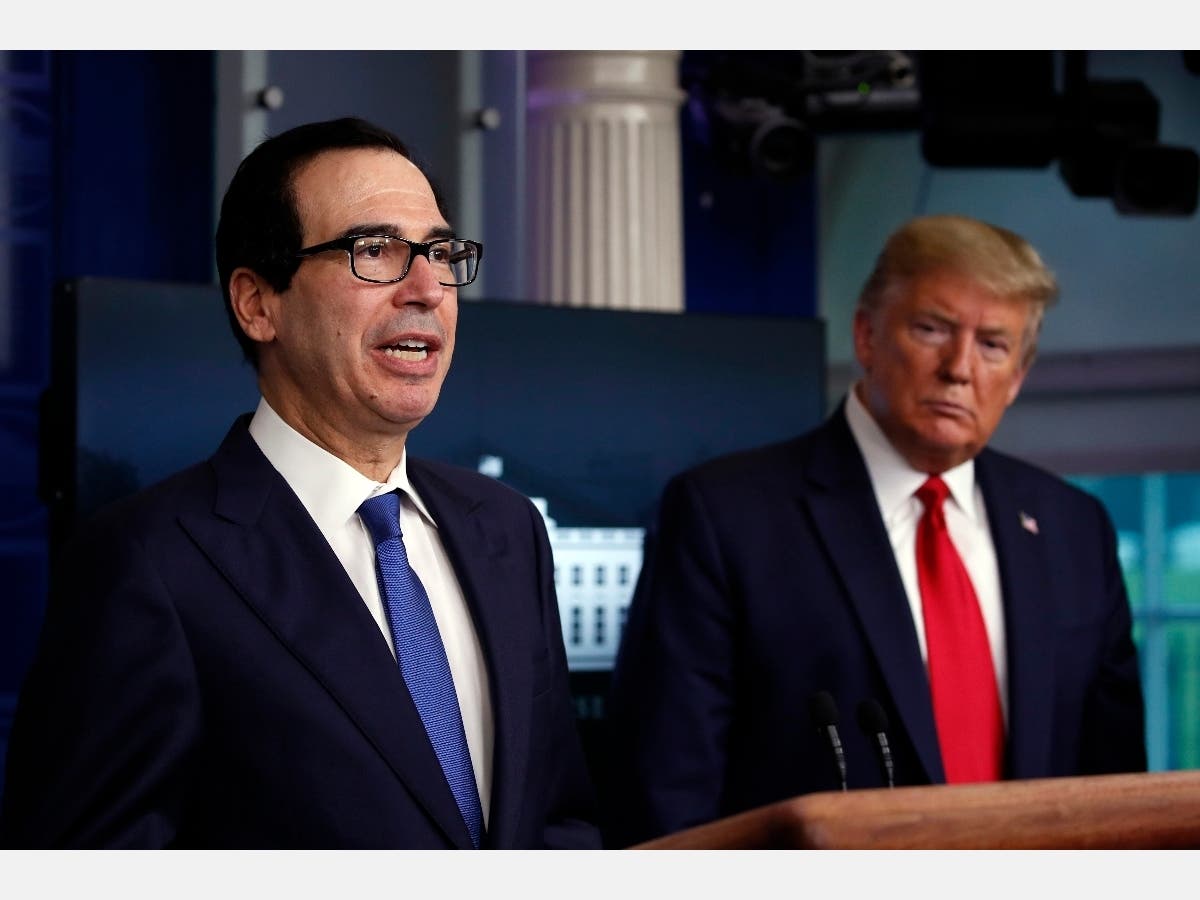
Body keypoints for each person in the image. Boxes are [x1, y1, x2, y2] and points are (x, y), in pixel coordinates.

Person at [2, 117, 600, 849]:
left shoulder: (506, 527)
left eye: (440, 252)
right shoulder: (145, 564)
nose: (426, 288)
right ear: (258, 303)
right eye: (374, 250)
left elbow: (558, 822)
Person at [603, 214, 1147, 846]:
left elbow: (1117, 794)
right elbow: (665, 795)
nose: (959, 368)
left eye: (993, 344)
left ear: (1018, 377)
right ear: (866, 334)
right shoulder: (726, 515)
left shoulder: (1072, 529)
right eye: (931, 329)